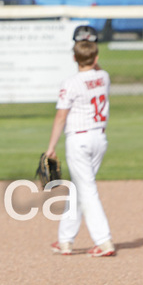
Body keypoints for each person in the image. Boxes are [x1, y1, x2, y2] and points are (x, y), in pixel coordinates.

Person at [45, 25, 115, 257]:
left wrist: (51, 147)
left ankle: (104, 241)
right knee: (79, 189)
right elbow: (96, 70)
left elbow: (61, 116)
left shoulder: (71, 82)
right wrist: (93, 52)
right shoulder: (103, 77)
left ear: (73, 57)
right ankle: (65, 240)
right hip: (99, 140)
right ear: (96, 57)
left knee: (87, 190)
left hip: (79, 141)